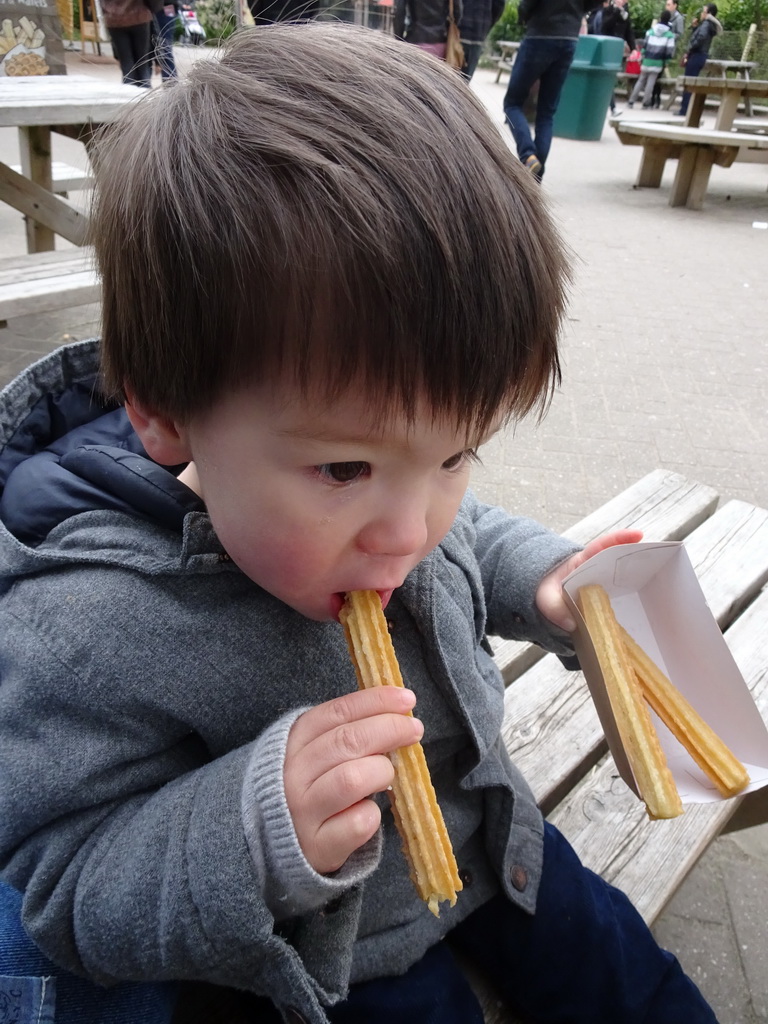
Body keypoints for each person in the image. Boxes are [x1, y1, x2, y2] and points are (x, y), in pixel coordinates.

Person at [0, 23, 719, 1024]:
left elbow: (468, 540)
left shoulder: (390, 506)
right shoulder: (82, 626)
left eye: (458, 453)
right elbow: (65, 891)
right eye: (345, 467)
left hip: (489, 834)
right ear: (163, 408)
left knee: (628, 977)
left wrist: (551, 583)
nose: (411, 529)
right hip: (325, 951)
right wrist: (251, 825)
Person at [503, 0, 598, 179]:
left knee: (512, 103)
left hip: (539, 35)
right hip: (568, 39)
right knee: (546, 113)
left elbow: (526, 6)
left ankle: (527, 155)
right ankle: (535, 177)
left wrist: (524, 17)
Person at [678, 2, 722, 116]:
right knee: (691, 81)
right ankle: (687, 107)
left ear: (709, 13)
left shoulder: (706, 24)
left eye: (703, 11)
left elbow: (701, 38)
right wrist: (695, 28)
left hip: (696, 54)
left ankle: (685, 109)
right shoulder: (707, 25)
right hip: (702, 54)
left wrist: (691, 48)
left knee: (689, 82)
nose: (701, 14)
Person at [99, 0, 154, 87]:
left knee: (126, 63)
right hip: (140, 16)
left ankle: (129, 94)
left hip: (114, 19)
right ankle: (145, 93)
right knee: (142, 62)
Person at [628, 10, 675, 108]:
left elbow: (644, 47)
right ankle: (645, 103)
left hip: (647, 60)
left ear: (660, 18)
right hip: (658, 62)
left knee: (641, 80)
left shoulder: (650, 32)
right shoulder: (669, 35)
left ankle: (631, 101)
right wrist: (666, 62)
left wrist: (642, 57)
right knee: (651, 82)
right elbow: (669, 52)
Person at [394, 0, 461, 60]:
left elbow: (399, 11)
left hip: (415, 39)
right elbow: (458, 11)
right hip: (440, 39)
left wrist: (399, 39)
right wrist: (446, 28)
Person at [457, 0, 505, 79]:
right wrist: (486, 25)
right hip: (478, 33)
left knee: (446, 80)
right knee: (464, 81)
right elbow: (499, 6)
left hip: (456, 33)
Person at [650, 0, 684, 108]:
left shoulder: (678, 18)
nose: (667, 6)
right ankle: (654, 98)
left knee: (659, 74)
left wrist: (668, 35)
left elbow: (679, 33)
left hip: (667, 49)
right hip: (657, 48)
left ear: (675, 5)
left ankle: (656, 98)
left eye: (669, 4)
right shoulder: (664, 16)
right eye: (666, 4)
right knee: (655, 74)